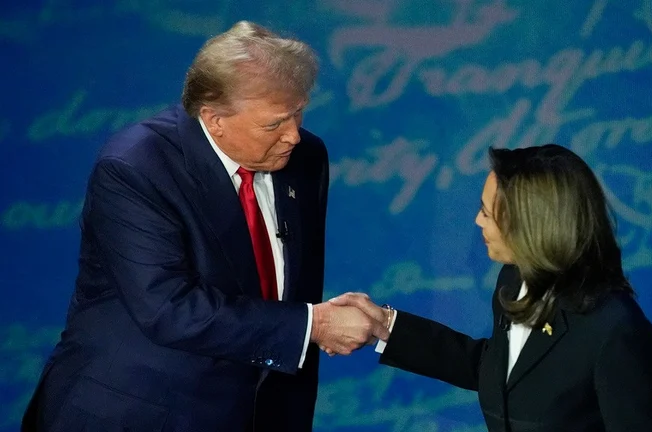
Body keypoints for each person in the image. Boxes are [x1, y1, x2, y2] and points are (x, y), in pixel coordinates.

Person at [21, 21, 387, 432]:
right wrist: (315, 325)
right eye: (275, 123)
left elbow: (292, 288)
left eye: (298, 114)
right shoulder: (135, 169)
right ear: (214, 119)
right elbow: (169, 308)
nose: (293, 136)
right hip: (137, 413)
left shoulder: (306, 159)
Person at [331, 144, 652, 431]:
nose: (478, 221)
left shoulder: (615, 329)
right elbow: (498, 372)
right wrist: (386, 326)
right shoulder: (513, 279)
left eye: (487, 213)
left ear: (531, 226)